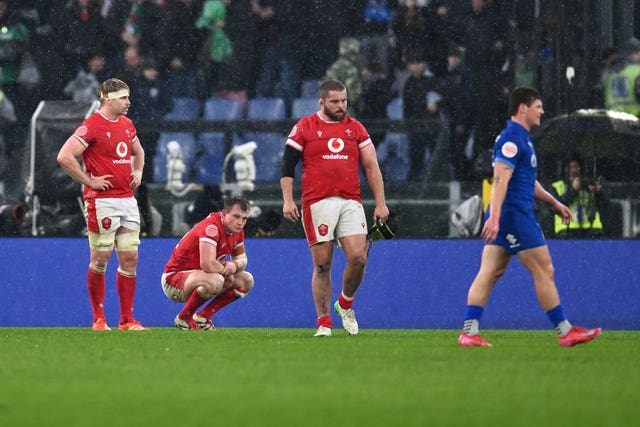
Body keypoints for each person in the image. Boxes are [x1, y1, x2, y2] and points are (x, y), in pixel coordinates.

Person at [458, 86, 601, 347]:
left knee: (490, 271)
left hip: (508, 213)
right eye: (538, 106)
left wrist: (555, 202)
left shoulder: (521, 138)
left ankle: (469, 332)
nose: (542, 111)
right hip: (514, 215)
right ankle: (565, 330)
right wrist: (496, 217)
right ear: (522, 108)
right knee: (544, 269)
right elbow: (501, 179)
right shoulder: (512, 138)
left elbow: (527, 181)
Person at [280, 79, 389, 337]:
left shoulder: (356, 129)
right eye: (335, 102)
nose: (341, 106)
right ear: (322, 102)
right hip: (317, 201)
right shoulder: (305, 126)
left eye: (344, 101)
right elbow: (287, 165)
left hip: (351, 199)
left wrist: (381, 203)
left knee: (359, 257)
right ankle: (324, 321)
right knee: (322, 265)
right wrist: (287, 199)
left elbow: (372, 167)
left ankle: (345, 303)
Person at [56, 78, 149, 331]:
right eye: (123, 98)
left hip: (127, 200)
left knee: (130, 259)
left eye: (128, 97)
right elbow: (64, 156)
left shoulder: (127, 125)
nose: (128, 102)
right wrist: (89, 180)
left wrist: (138, 173)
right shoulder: (92, 126)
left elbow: (138, 152)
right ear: (108, 99)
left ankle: (127, 321)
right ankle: (99, 319)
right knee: (100, 259)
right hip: (102, 202)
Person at [161, 195, 254, 330]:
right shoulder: (212, 227)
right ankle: (184, 318)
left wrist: (234, 265)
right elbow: (207, 264)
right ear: (224, 213)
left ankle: (203, 317)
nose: (240, 222)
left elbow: (242, 259)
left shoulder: (237, 231)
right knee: (216, 280)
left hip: (200, 277)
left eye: (244, 218)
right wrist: (227, 273)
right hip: (174, 279)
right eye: (236, 216)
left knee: (246, 280)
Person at [550, 158, 608, 238]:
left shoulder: (588, 184)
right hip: (566, 231)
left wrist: (598, 191)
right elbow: (555, 207)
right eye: (570, 167)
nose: (573, 170)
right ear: (565, 170)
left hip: (592, 230)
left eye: (576, 167)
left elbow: (605, 205)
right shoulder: (557, 186)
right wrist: (572, 190)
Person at [602, 37, 640, 116]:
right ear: (638, 52)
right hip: (634, 121)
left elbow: (600, 94)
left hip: (613, 120)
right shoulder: (637, 71)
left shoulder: (610, 72)